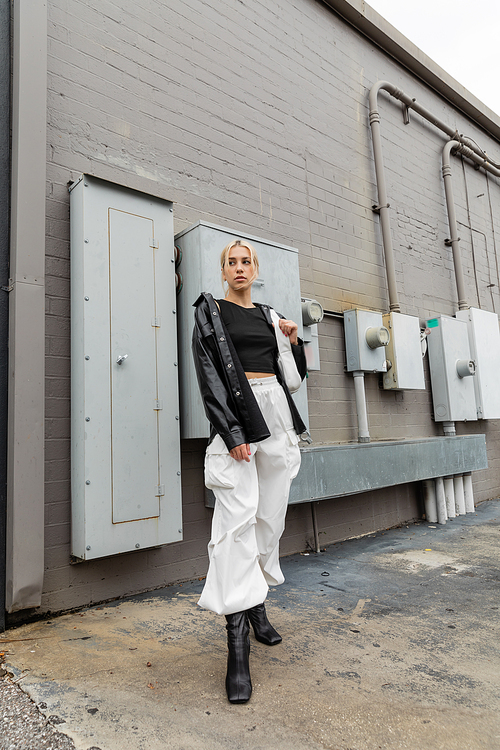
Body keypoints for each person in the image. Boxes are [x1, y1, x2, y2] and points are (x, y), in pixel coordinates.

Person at [192, 239, 307, 704]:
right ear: (223, 272)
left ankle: (256, 604)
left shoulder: (269, 314)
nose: (239, 268)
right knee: (237, 521)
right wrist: (233, 432)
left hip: (276, 417)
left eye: (246, 262)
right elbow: (209, 372)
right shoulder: (210, 312)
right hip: (240, 423)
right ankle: (236, 643)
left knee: (269, 519)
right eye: (231, 263)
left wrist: (294, 342)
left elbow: (293, 378)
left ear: (256, 269)